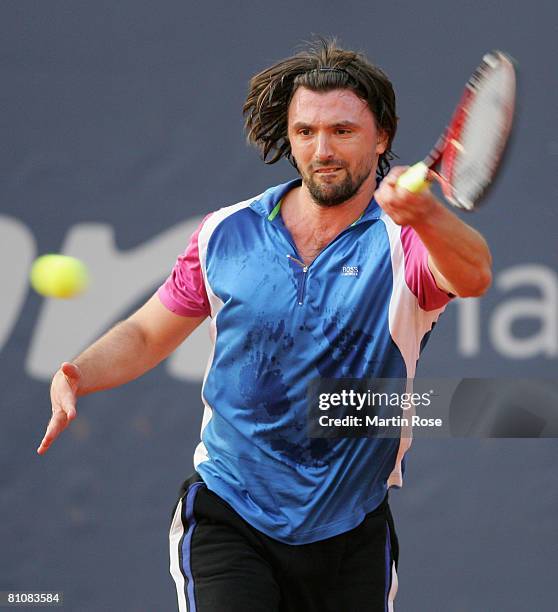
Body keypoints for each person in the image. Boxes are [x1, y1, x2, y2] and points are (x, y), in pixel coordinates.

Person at [37, 38, 492, 611]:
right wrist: (78, 372)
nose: (322, 150)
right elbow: (148, 334)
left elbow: (474, 275)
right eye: (306, 132)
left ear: (382, 137)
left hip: (351, 528)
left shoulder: (405, 241)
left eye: (343, 131)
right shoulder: (226, 233)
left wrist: (426, 214)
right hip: (231, 513)